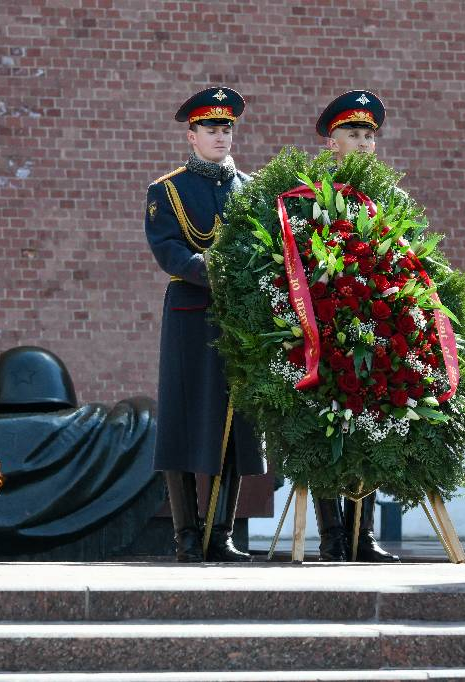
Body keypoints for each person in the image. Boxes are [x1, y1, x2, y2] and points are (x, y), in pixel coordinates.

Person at [144, 86, 264, 562]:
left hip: (241, 318)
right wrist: (213, 271)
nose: (220, 136)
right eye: (211, 128)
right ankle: (187, 535)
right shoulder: (167, 189)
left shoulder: (250, 190)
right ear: (191, 136)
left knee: (234, 425)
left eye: (226, 128)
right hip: (191, 315)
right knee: (184, 419)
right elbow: (168, 249)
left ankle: (221, 534)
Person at [309, 90, 399, 563]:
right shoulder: (311, 195)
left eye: (369, 135)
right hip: (325, 325)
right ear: (332, 143)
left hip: (375, 326)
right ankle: (332, 536)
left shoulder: (390, 198)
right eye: (353, 134)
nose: (364, 143)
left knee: (370, 422)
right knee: (325, 424)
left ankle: (363, 534)